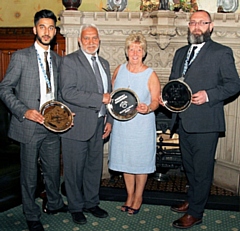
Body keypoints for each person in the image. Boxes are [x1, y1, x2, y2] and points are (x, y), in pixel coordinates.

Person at [161, 10, 240, 229]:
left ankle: (196, 213)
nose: (197, 27)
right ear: (189, 25)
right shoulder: (180, 52)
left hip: (206, 122)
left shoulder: (222, 52)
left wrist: (208, 95)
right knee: (190, 168)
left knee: (202, 170)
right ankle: (193, 200)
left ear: (211, 26)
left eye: (202, 23)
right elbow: (174, 82)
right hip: (183, 121)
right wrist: (166, 96)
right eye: (193, 23)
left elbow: (234, 84)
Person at [0, 9, 68, 231]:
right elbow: (4, 88)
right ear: (34, 29)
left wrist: (65, 112)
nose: (46, 32)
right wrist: (24, 111)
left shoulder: (57, 60)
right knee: (29, 174)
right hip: (29, 125)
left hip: (52, 125)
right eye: (42, 27)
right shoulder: (21, 57)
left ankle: (55, 203)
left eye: (50, 27)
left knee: (52, 170)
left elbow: (58, 94)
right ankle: (31, 214)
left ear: (55, 31)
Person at [59, 24, 112, 225]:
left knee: (93, 168)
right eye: (87, 38)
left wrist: (110, 120)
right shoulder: (70, 62)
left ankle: (91, 203)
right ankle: (75, 207)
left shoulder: (104, 63)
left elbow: (111, 94)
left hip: (99, 124)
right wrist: (100, 98)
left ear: (99, 40)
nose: (91, 42)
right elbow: (68, 92)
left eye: (94, 38)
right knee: (73, 170)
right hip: (76, 125)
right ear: (80, 41)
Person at [108, 33, 161, 215]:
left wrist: (148, 108)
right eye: (132, 48)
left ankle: (138, 197)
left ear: (144, 52)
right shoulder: (119, 70)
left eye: (139, 49)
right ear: (127, 51)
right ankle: (129, 195)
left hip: (141, 125)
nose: (135, 52)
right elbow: (112, 97)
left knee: (140, 161)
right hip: (122, 125)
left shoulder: (150, 74)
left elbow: (156, 101)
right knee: (126, 161)